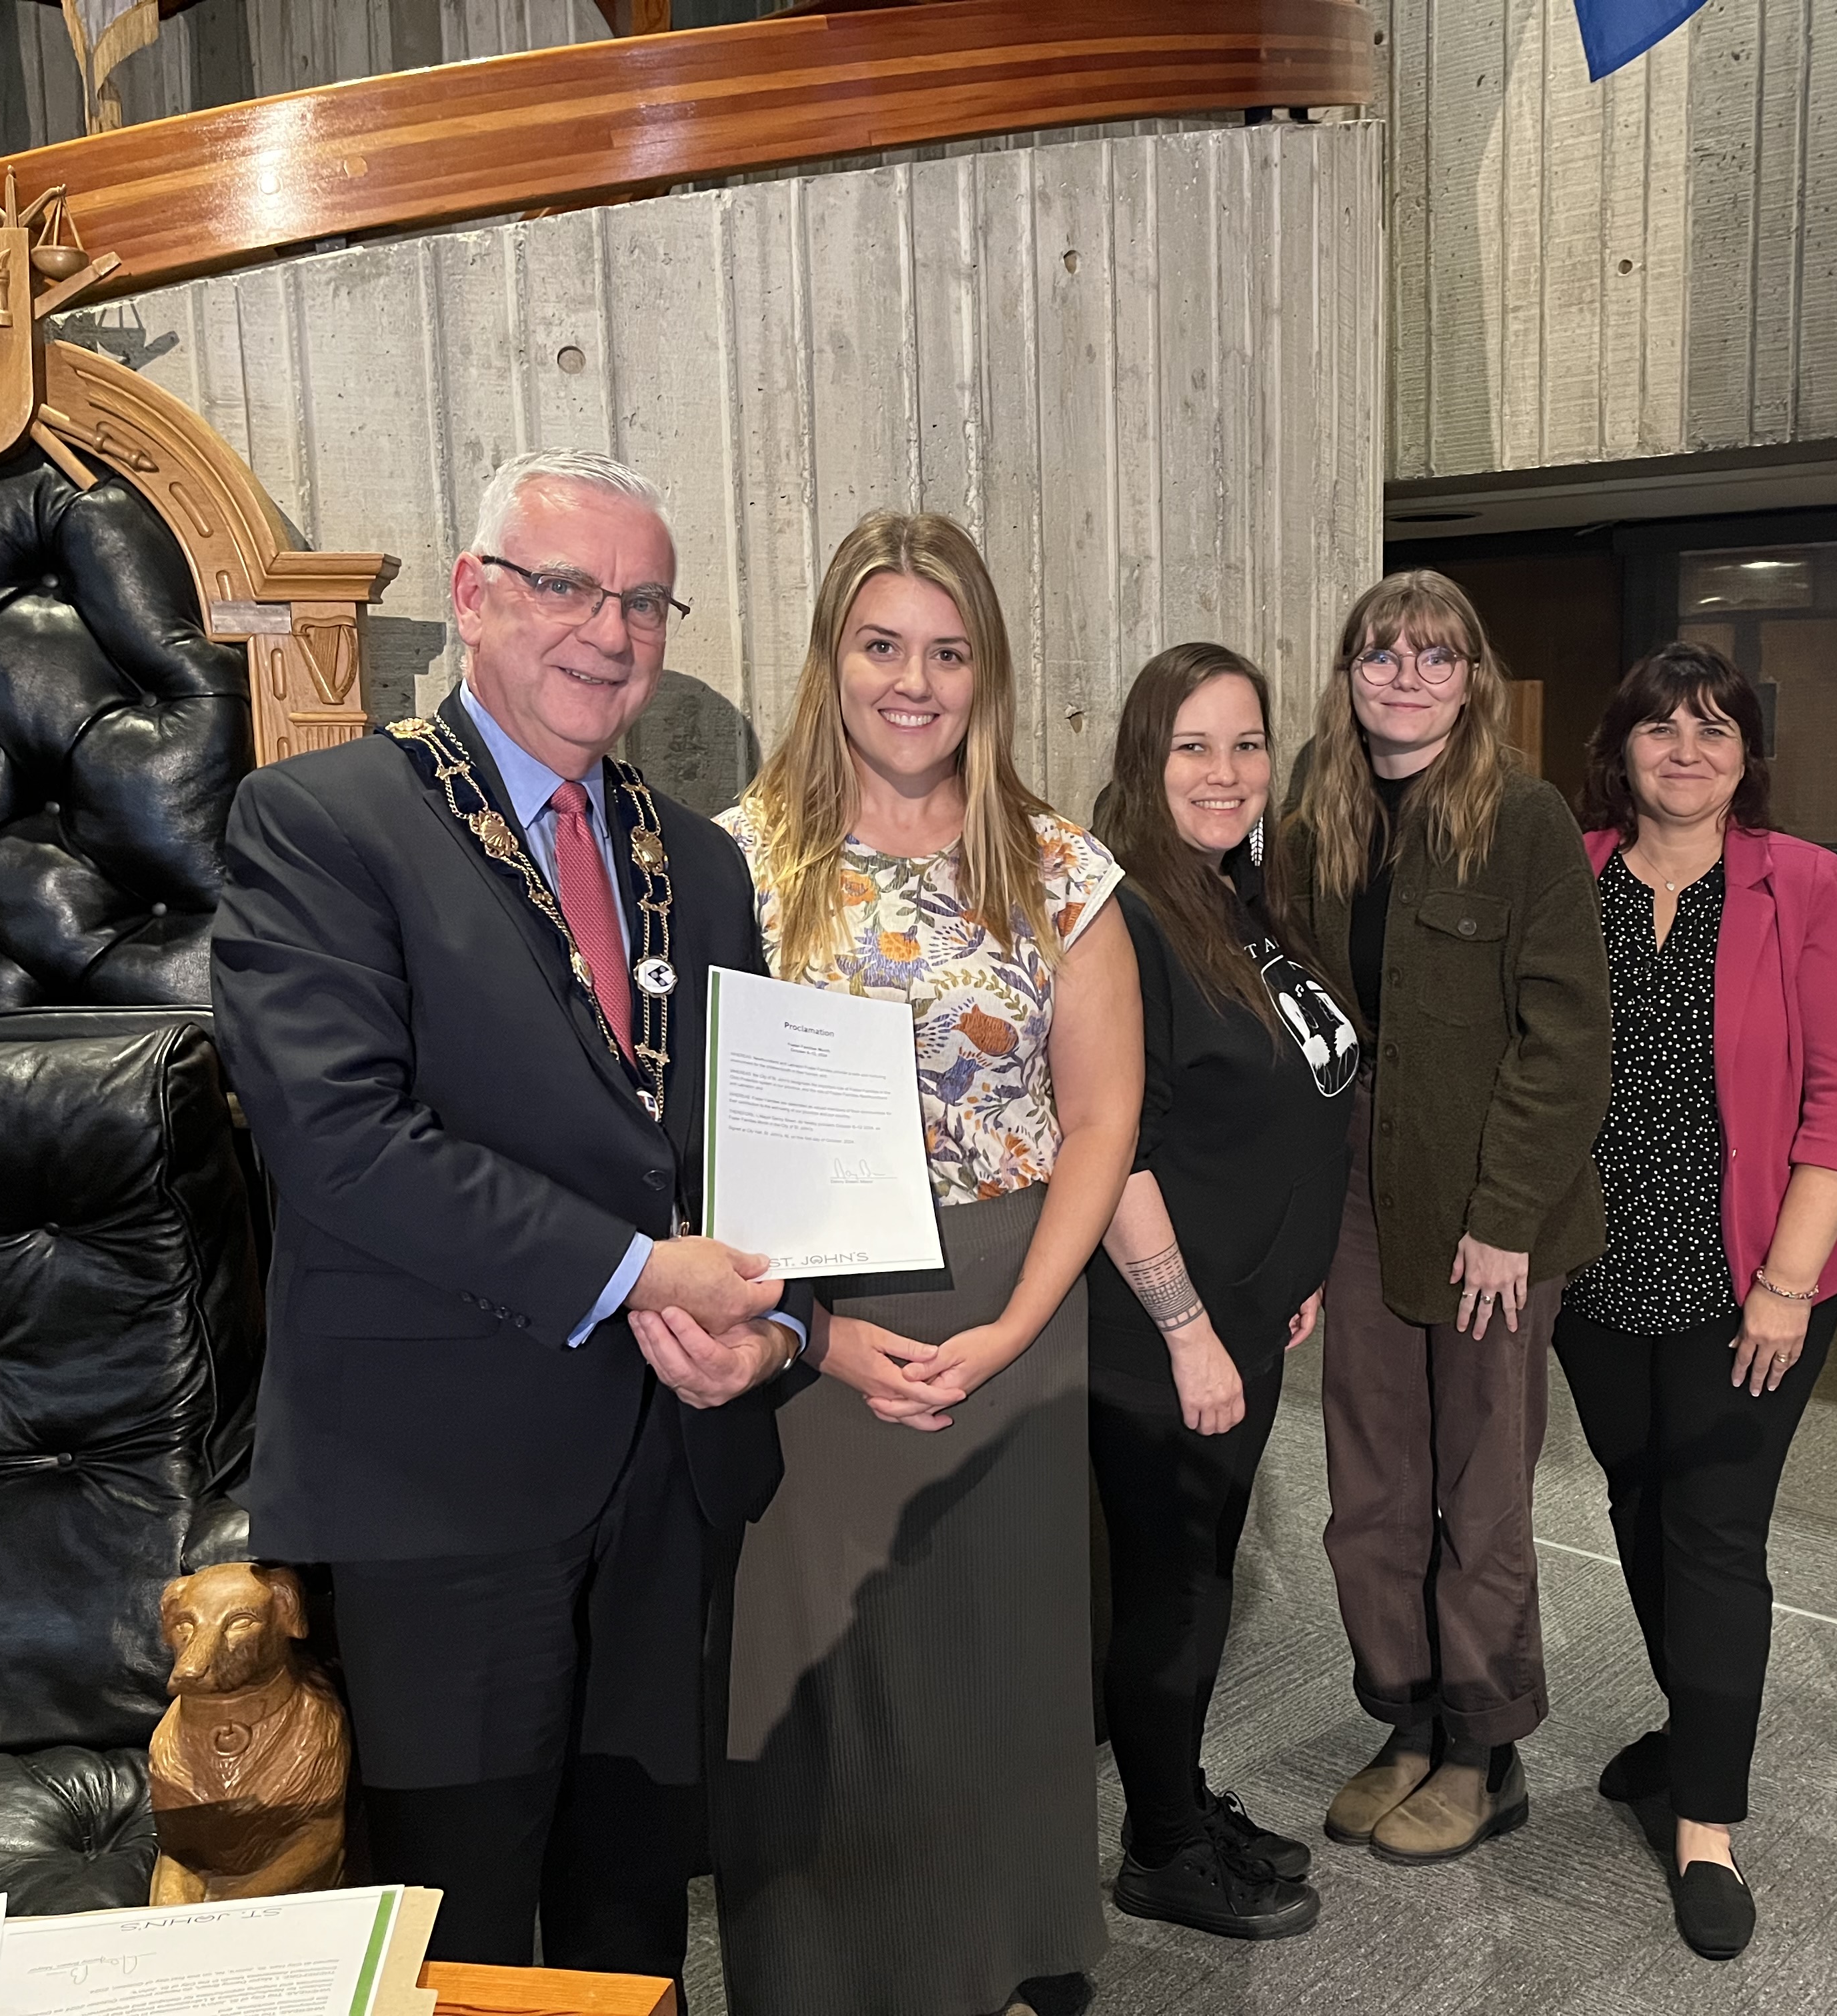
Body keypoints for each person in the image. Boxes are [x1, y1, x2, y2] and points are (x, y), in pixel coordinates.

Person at [211, 449, 815, 1985]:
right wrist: (633, 1272)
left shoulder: (708, 860)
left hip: (672, 1467)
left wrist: (779, 1331)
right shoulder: (322, 822)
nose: (607, 632)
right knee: (467, 1921)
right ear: (475, 596)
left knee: (632, 1905)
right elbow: (342, 1141)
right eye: (564, 586)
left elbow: (765, 1155)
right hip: (443, 1480)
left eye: (642, 601)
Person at [711, 511, 1141, 2016]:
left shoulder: (1055, 866)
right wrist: (810, 1334)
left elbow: (1098, 1121)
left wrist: (1022, 1324)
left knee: (997, 1654)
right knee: (825, 1664)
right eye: (881, 645)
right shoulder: (742, 862)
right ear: (832, 658)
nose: (914, 681)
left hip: (1011, 1295)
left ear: (988, 672)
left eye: (947, 652)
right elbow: (701, 1125)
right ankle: (826, 1977)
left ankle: (1006, 1954)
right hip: (809, 1322)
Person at [1560, 640, 1837, 1961]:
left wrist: (1786, 1286)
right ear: (1625, 748)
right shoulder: (1577, 873)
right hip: (1600, 1269)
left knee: (1713, 1532)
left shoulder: (1801, 884)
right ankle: (1681, 1729)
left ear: (1748, 756)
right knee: (1638, 1508)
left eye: (1716, 728)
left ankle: (1706, 1822)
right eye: (1662, 727)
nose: (1688, 748)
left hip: (1758, 1269)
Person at [1282, 570, 1612, 1864]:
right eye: (1382, 652)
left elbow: (1569, 1040)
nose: (1407, 675)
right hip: (1363, 1186)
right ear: (1350, 669)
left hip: (1494, 1199)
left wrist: (1507, 1217)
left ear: (1473, 678)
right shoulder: (1317, 809)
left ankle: (1485, 1747)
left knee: (1481, 1489)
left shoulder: (1521, 820)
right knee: (1370, 1480)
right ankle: (1406, 1719)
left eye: (1436, 655)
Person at [1086, 643, 1359, 1942]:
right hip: (1161, 1334)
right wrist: (1192, 1328)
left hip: (1246, 1316)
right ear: (1147, 759)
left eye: (1246, 743)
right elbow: (1116, 1148)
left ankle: (1178, 1802)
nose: (1227, 770)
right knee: (1175, 1585)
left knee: (1196, 1572)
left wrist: (1289, 1271)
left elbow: (1277, 1103)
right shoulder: (1126, 916)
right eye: (1194, 745)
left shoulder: (1243, 895)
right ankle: (1159, 1850)